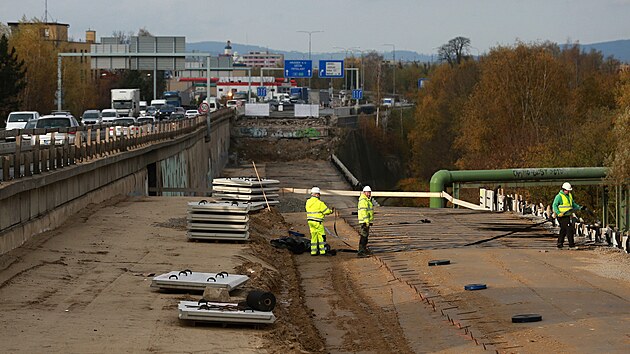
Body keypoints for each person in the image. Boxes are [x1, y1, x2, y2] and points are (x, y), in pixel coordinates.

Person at [552, 182, 586, 250]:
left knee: (563, 230)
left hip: (567, 215)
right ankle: (571, 245)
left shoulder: (569, 196)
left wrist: (579, 207)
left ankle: (560, 244)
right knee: (569, 229)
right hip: (561, 216)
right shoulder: (559, 196)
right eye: (568, 190)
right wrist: (558, 213)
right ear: (564, 189)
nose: (569, 191)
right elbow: (554, 205)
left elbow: (573, 204)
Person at [305, 187, 334, 256]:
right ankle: (322, 251)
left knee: (313, 236)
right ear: (317, 194)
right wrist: (331, 211)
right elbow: (326, 211)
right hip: (317, 222)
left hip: (310, 221)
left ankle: (313, 251)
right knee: (321, 236)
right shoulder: (319, 203)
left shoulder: (308, 202)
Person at [357, 186, 374, 257]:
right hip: (364, 222)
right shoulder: (363, 201)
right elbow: (364, 212)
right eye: (367, 192)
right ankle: (361, 251)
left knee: (365, 237)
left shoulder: (367, 200)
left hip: (366, 222)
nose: (369, 194)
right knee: (363, 237)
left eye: (369, 192)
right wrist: (366, 221)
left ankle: (364, 249)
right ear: (364, 192)